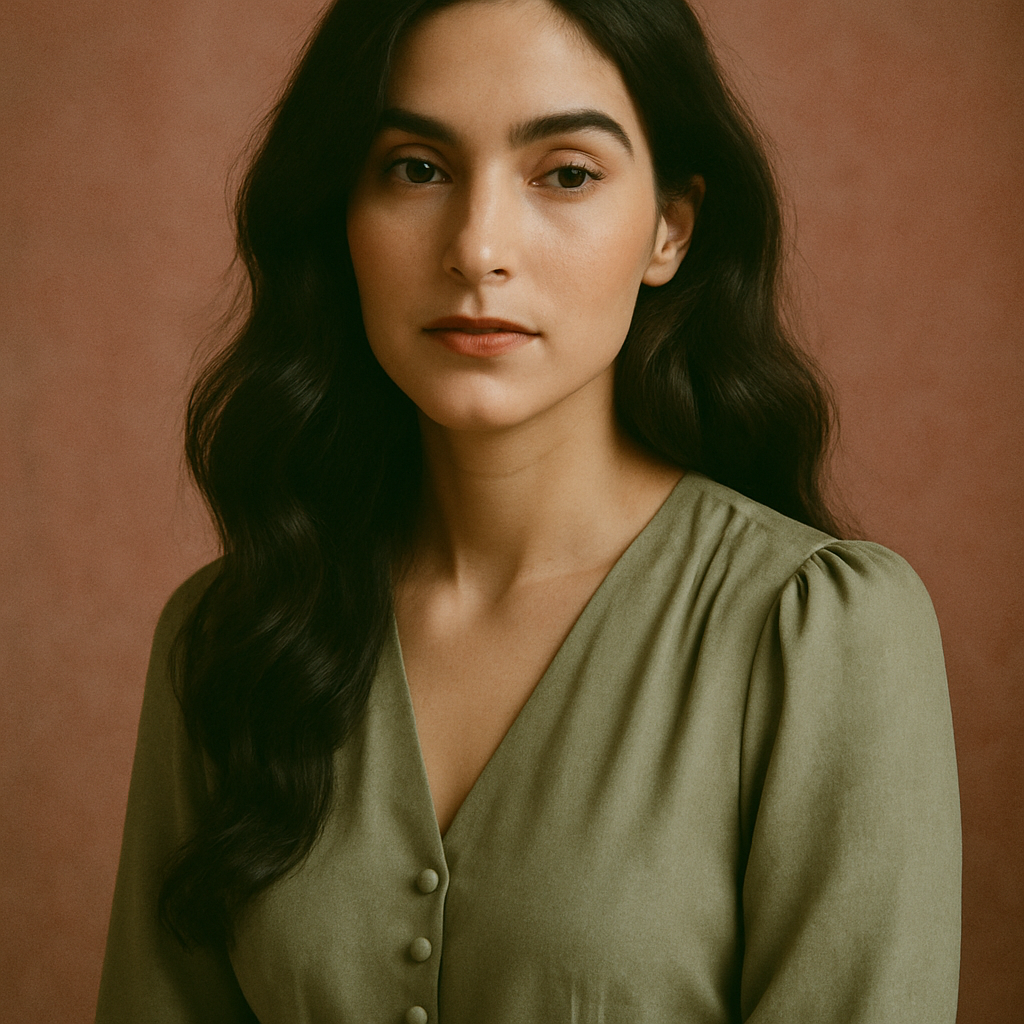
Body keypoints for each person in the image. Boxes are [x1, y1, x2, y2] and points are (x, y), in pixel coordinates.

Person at [95, 0, 961, 1021]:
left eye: (566, 172)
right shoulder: (228, 636)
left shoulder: (816, 633)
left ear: (670, 229)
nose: (477, 248)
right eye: (416, 167)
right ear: (342, 214)